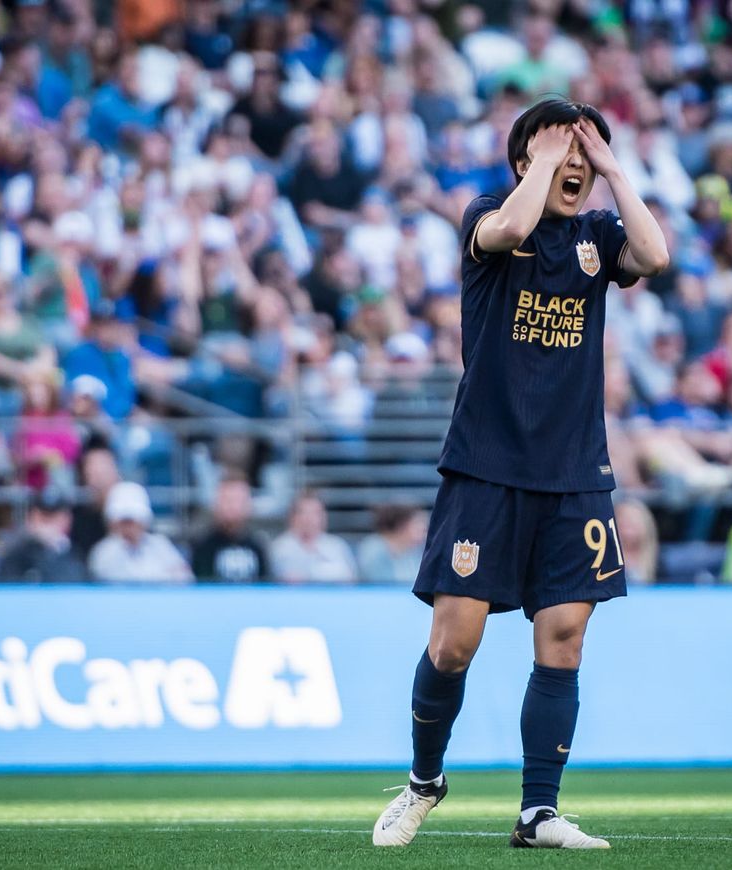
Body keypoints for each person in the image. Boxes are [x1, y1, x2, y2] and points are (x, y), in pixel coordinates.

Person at [373, 99, 667, 850]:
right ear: (523, 162)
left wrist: (611, 167)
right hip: (486, 466)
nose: (573, 164)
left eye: (582, 154)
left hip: (574, 472)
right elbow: (507, 227)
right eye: (558, 152)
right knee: (453, 643)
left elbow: (656, 256)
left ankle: (539, 812)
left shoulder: (598, 235)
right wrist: (540, 161)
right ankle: (424, 782)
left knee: (565, 632)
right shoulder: (486, 218)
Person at [88, 481, 193, 583]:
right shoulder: (103, 552)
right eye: (124, 522)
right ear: (113, 523)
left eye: (132, 521)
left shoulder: (160, 544)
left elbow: (185, 578)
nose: (129, 528)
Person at [0, 489, 89, 583]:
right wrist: (35, 542)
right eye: (43, 518)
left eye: (53, 517)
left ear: (67, 520)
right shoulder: (17, 553)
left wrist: (53, 548)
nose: (47, 526)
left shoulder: (77, 553)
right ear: (30, 519)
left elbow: (72, 582)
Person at [190, 474, 269, 583]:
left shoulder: (257, 546)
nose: (233, 507)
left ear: (249, 505)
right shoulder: (202, 547)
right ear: (216, 504)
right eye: (228, 500)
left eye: (238, 501)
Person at [269, 492, 358, 583]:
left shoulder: (337, 545)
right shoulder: (280, 548)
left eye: (315, 513)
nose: (309, 519)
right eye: (304, 513)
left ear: (324, 517)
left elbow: (350, 578)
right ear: (292, 517)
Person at [356, 504, 428, 584]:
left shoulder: (414, 552)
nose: (424, 534)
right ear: (402, 525)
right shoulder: (373, 548)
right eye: (419, 528)